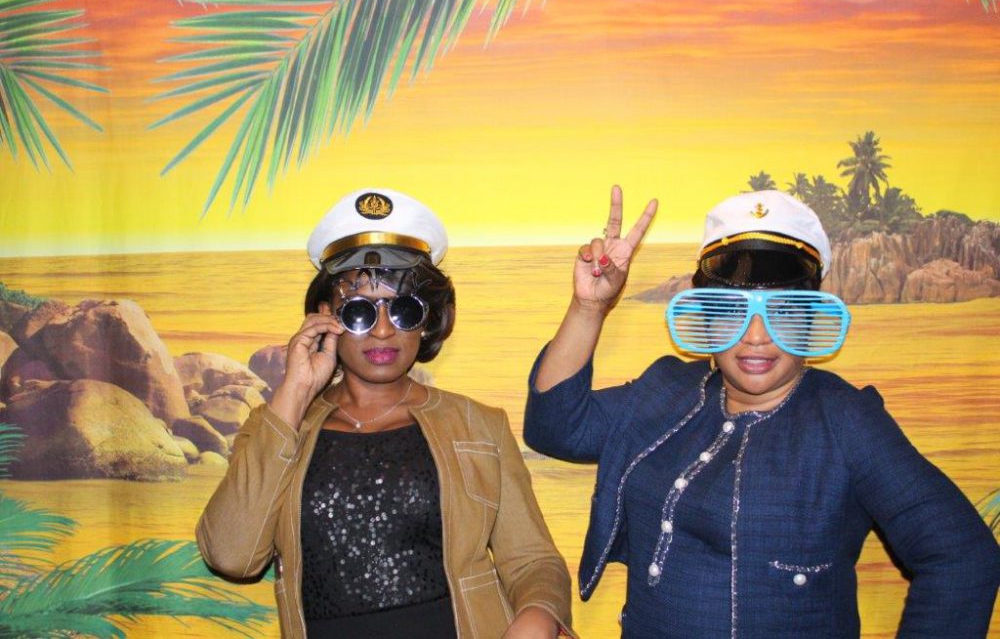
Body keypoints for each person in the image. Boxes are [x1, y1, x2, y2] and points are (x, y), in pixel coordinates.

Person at [523, 186, 1000, 637]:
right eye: (732, 308)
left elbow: (962, 555)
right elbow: (555, 427)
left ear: (811, 316)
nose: (756, 335)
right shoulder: (666, 390)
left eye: (783, 309)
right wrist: (589, 308)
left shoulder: (846, 421)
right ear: (706, 314)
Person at [197, 188, 574, 638]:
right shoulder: (278, 428)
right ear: (326, 317)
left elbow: (532, 560)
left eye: (403, 311)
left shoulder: (479, 425)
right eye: (359, 312)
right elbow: (232, 556)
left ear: (427, 320)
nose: (381, 331)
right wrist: (295, 393)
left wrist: (538, 615)